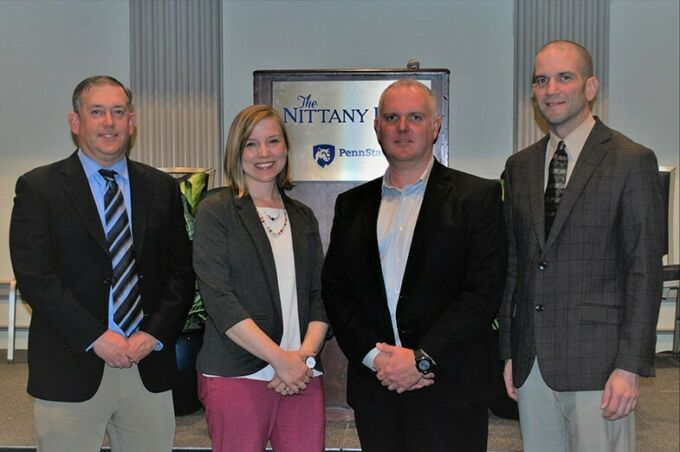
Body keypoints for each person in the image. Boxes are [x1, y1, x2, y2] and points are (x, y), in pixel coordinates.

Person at [9, 75, 195, 452]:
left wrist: (154, 334)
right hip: (71, 365)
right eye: (97, 112)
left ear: (132, 121)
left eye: (118, 112)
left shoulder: (161, 189)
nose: (109, 122)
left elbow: (180, 274)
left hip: (147, 366)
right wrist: (96, 337)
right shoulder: (39, 188)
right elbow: (36, 279)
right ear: (76, 122)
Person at [322, 79, 507, 452]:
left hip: (450, 391)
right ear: (377, 127)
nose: (402, 127)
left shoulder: (478, 198)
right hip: (378, 390)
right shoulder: (351, 205)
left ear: (435, 126)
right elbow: (336, 292)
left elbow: (482, 293)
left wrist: (421, 360)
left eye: (415, 117)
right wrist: (378, 359)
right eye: (392, 117)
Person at [500, 40, 665, 452]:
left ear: (590, 87)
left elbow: (643, 271)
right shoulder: (518, 167)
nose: (550, 88)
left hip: (601, 365)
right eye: (541, 79)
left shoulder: (631, 160)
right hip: (532, 360)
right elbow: (515, 265)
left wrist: (629, 365)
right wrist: (509, 352)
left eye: (564, 77)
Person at [193, 104, 329, 452]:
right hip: (237, 375)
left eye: (273, 141)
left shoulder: (302, 217)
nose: (264, 153)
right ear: (236, 153)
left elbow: (319, 296)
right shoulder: (216, 210)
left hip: (302, 376)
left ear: (285, 147)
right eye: (251, 144)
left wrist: (302, 359)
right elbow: (219, 299)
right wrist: (279, 359)